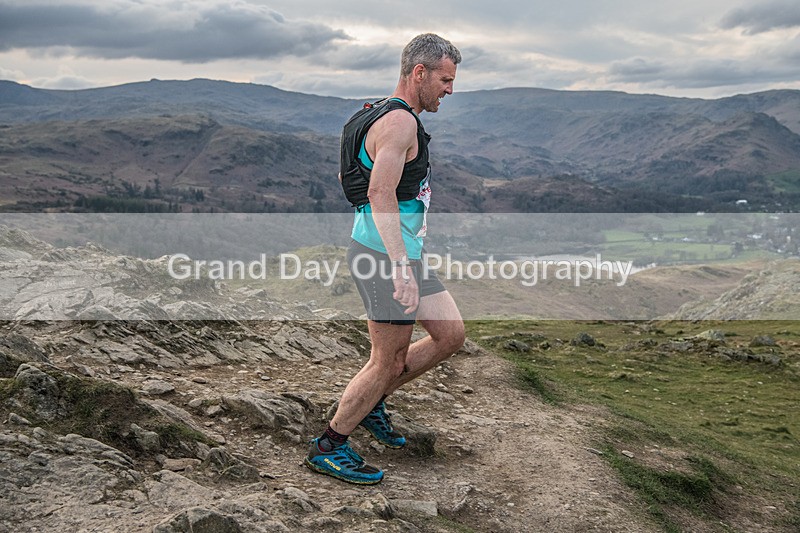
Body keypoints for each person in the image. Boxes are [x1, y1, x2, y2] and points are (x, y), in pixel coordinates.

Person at [304, 33, 465, 485]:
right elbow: (378, 191)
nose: (449, 90)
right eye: (445, 80)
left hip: (395, 251)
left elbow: (349, 177)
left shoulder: (368, 113)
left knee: (450, 334)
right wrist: (399, 267)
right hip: (384, 257)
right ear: (420, 73)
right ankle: (329, 446)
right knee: (386, 362)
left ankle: (372, 403)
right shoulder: (399, 124)